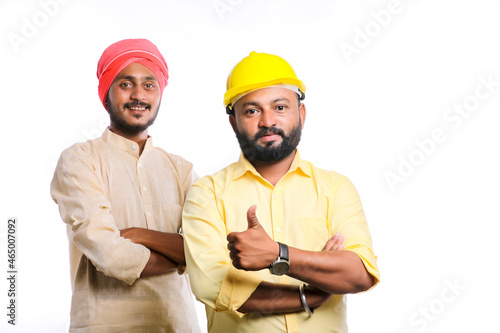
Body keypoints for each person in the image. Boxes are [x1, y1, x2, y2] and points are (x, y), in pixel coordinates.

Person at [182, 51, 380, 333]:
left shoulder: (335, 188)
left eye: (280, 107)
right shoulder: (207, 193)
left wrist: (279, 254)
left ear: (301, 113)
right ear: (233, 122)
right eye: (252, 111)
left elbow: (359, 273)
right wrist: (310, 293)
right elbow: (212, 285)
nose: (267, 121)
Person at [51, 39, 200, 332]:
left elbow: (210, 248)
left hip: (176, 324)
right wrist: (186, 256)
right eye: (125, 84)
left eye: (149, 85)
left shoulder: (181, 170)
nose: (138, 95)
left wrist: (138, 235)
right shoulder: (80, 160)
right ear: (106, 93)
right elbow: (111, 255)